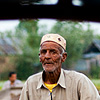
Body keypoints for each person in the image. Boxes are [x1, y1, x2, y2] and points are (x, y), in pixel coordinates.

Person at [19, 33, 100, 100]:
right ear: (40, 57)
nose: (47, 56)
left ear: (63, 57)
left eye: (53, 52)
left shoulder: (79, 82)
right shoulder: (31, 83)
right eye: (43, 52)